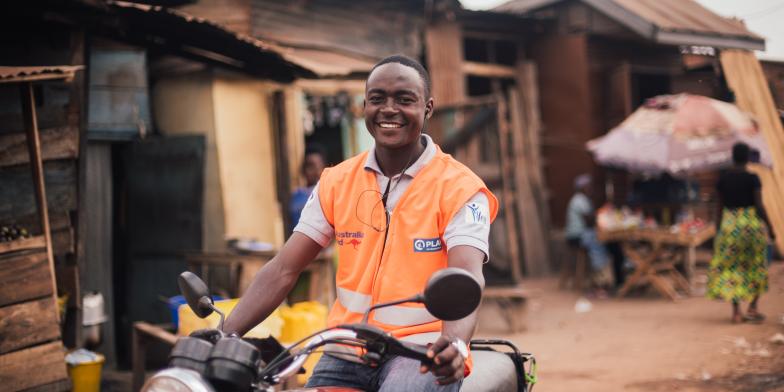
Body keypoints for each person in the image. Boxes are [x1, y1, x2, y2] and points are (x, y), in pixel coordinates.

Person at [223, 54, 498, 391]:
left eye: (404, 99)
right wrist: (224, 334)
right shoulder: (336, 181)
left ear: (427, 108)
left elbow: (466, 278)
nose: (389, 109)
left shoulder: (460, 188)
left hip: (422, 352)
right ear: (363, 107)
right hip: (346, 350)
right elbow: (283, 268)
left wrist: (454, 342)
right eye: (377, 99)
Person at [707, 142, 775, 324]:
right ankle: (753, 307)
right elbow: (759, 206)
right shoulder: (753, 178)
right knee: (757, 266)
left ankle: (736, 311)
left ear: (733, 156)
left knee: (732, 268)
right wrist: (770, 228)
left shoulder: (723, 180)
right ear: (747, 158)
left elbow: (719, 208)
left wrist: (718, 231)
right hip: (750, 225)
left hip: (730, 226)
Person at [564, 174, 611, 292]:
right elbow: (589, 220)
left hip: (578, 235)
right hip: (577, 236)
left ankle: (601, 279)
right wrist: (601, 211)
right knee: (598, 243)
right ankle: (600, 281)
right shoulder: (579, 200)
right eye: (588, 186)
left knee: (600, 241)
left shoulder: (582, 200)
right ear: (582, 187)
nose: (590, 189)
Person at [288, 145, 327, 234]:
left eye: (317, 166)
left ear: (323, 168)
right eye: (310, 166)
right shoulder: (295, 196)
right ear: (303, 169)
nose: (314, 171)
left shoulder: (326, 193)